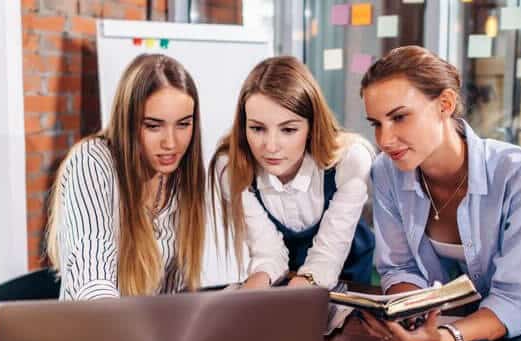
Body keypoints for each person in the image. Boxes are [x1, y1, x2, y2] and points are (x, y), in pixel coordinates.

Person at [360, 46, 521, 341]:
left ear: (445, 104)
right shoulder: (386, 172)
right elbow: (400, 268)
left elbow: (516, 298)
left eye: (399, 117)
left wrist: (447, 338)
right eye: (376, 124)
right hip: (451, 325)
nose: (384, 140)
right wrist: (408, 315)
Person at [46, 54, 206, 300]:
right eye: (154, 126)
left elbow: (174, 297)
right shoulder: (92, 162)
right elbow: (92, 282)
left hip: (149, 334)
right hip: (98, 333)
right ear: (128, 122)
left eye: (183, 125)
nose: (171, 143)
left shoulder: (177, 177)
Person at [209, 56, 375, 290]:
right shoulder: (231, 166)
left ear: (311, 126)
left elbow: (327, 258)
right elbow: (267, 251)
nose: (271, 146)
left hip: (350, 285)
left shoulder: (350, 161)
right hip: (286, 287)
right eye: (257, 128)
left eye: (288, 129)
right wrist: (254, 287)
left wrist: (296, 292)